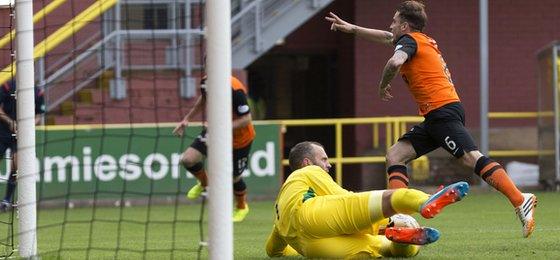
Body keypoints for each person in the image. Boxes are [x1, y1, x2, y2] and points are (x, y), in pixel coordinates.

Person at [325, 1, 536, 238]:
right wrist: (352, 29)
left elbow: (395, 61)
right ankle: (401, 215)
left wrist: (383, 85)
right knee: (396, 154)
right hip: (437, 114)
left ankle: (520, 199)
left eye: (394, 21)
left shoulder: (409, 42)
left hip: (442, 111)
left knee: (470, 157)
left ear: (404, 25)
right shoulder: (417, 39)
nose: (391, 25)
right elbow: (386, 37)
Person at [265, 141, 469, 258]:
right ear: (307, 162)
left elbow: (273, 250)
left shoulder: (279, 206)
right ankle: (425, 201)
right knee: (390, 199)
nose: (329, 165)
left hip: (312, 248)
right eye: (324, 159)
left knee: (381, 248)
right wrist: (383, 219)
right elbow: (341, 197)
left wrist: (298, 250)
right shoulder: (306, 172)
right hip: (312, 215)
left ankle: (404, 238)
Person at [173, 75, 256, 222]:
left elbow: (246, 119)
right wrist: (187, 118)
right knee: (188, 159)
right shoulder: (206, 80)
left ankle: (242, 207)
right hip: (215, 132)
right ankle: (205, 183)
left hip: (239, 138)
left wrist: (220, 128)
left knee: (234, 177)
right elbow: (204, 98)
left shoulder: (235, 88)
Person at [0, 80, 46, 212]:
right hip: (2, 132)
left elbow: (39, 115)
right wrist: (9, 121)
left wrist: (27, 126)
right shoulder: (8, 86)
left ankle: (6, 200)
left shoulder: (37, 92)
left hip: (21, 135)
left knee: (16, 166)